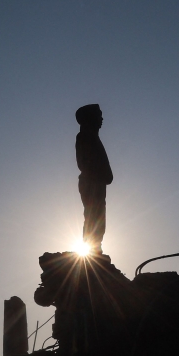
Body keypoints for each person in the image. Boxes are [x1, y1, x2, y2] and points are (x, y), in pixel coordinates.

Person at [75, 104, 113, 255]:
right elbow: (83, 163)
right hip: (91, 182)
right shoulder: (85, 136)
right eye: (99, 115)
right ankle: (92, 250)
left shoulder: (92, 136)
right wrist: (99, 174)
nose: (102, 119)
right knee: (94, 216)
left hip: (96, 182)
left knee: (97, 217)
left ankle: (94, 249)